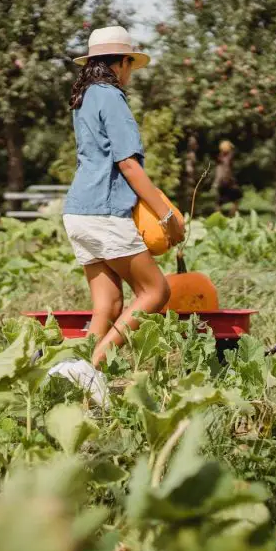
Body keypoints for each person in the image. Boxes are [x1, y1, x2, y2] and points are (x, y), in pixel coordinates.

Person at [62, 25, 185, 369]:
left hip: (77, 212)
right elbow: (128, 164)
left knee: (109, 304)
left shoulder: (83, 98)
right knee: (155, 291)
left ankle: (70, 374)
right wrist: (167, 217)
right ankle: (91, 366)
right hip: (103, 211)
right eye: (131, 64)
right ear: (123, 62)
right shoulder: (111, 96)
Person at [213, 140, 243, 215]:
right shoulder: (229, 157)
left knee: (219, 202)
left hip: (220, 182)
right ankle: (231, 215)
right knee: (237, 198)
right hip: (228, 181)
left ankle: (218, 216)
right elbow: (227, 169)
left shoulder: (220, 157)